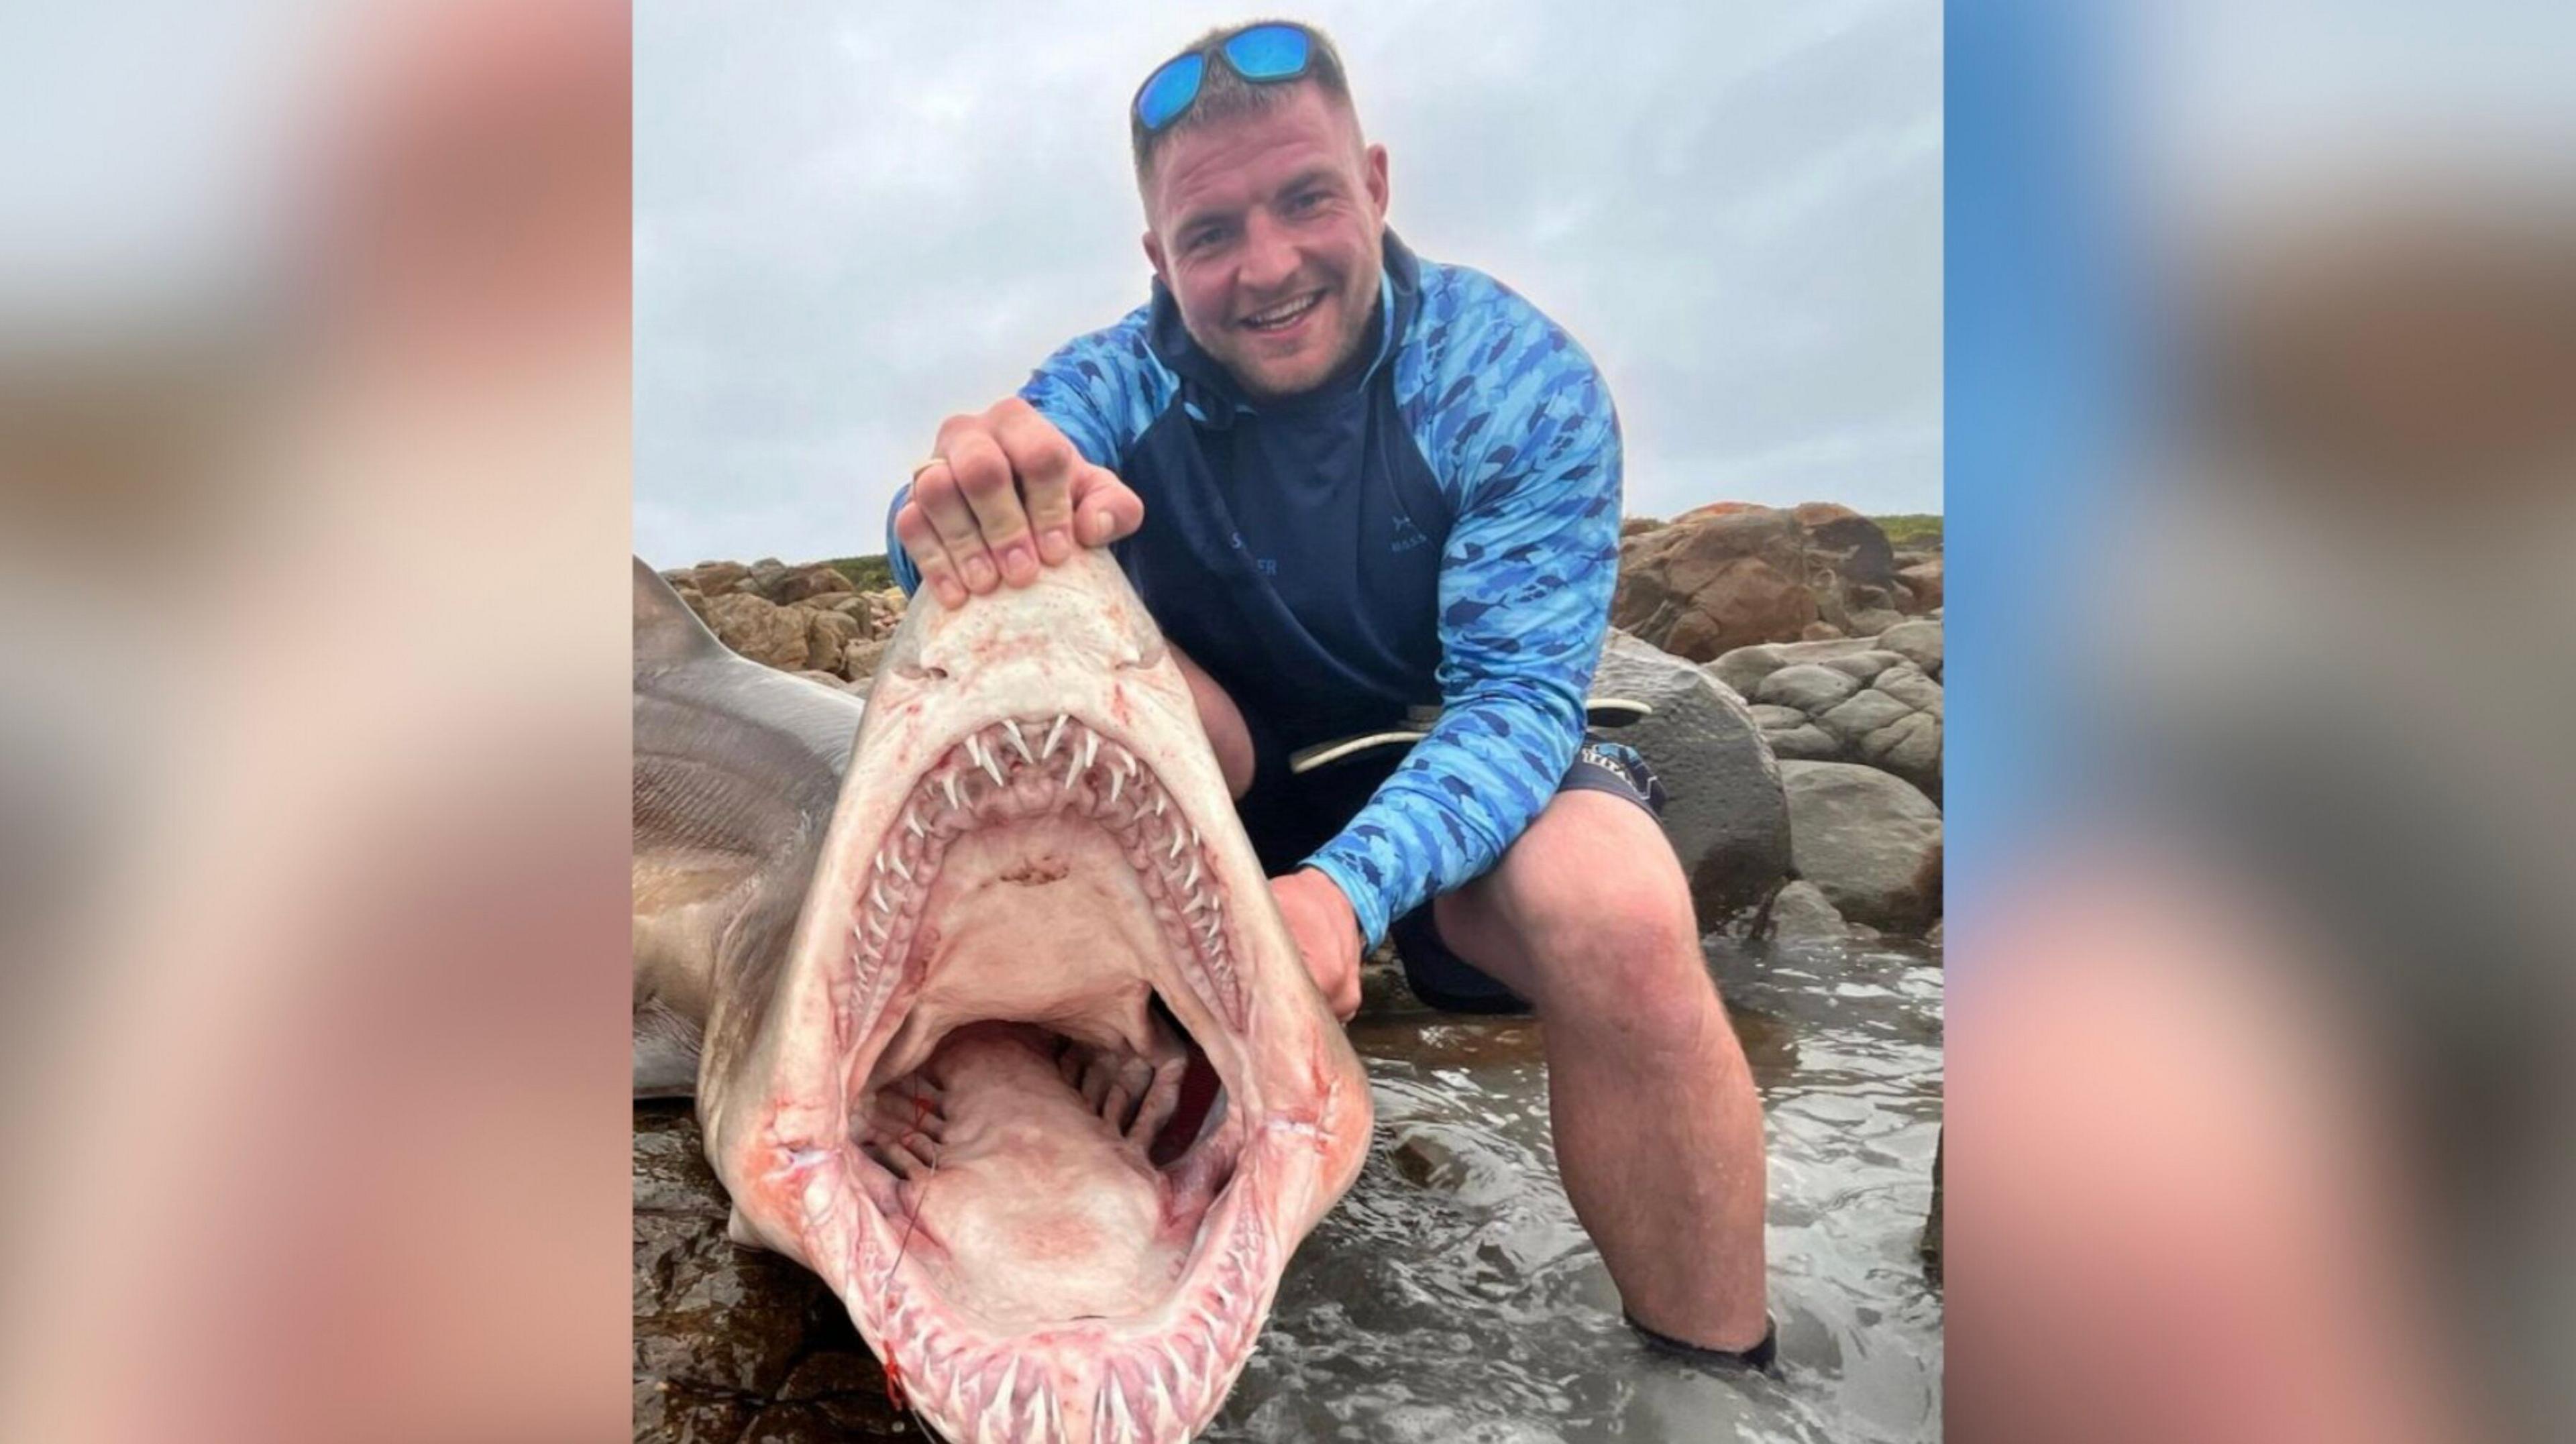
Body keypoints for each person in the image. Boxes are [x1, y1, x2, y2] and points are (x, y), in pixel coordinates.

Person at [885, 19, 1772, 1365]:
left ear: (1374, 181)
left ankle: (1719, 1376)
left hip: (1432, 784)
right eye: (1211, 233)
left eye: (1305, 200)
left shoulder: (1510, 380)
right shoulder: (1118, 377)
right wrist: (950, 504)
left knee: (1619, 907)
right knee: (1039, 616)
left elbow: (1522, 701)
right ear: (1157, 260)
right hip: (1206, 797)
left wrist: (1340, 897)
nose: (1268, 265)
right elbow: (931, 546)